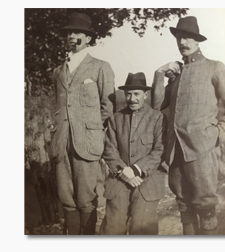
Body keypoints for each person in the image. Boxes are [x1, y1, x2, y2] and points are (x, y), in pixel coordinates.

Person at [152, 16, 225, 235]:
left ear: (197, 41)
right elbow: (155, 106)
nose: (183, 42)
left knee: (205, 204)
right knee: (183, 203)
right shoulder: (175, 74)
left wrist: (215, 136)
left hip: (202, 150)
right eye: (180, 37)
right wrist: (159, 75)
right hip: (175, 151)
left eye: (188, 38)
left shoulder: (214, 68)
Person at [50, 12, 115, 235]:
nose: (72, 36)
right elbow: (57, 106)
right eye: (69, 33)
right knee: (66, 198)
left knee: (86, 199)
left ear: (88, 38)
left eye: (78, 33)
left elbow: (109, 106)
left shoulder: (100, 67)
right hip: (61, 143)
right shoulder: (58, 71)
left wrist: (94, 130)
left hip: (87, 144)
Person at [99, 72, 166, 235]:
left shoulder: (157, 118)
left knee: (142, 228)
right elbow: (109, 149)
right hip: (119, 179)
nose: (132, 98)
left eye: (136, 94)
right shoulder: (116, 118)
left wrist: (135, 170)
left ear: (146, 94)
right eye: (128, 94)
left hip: (147, 181)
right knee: (112, 229)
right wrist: (123, 171)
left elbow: (159, 150)